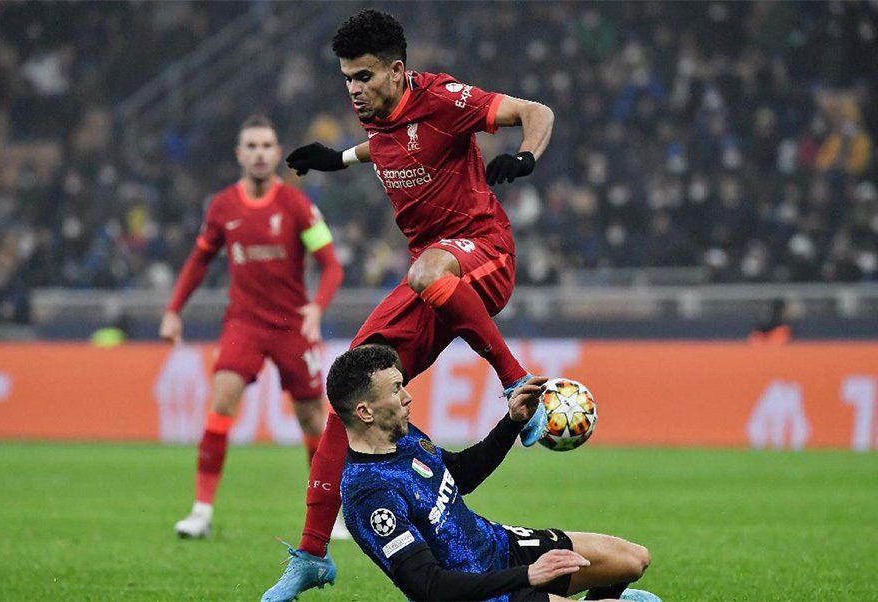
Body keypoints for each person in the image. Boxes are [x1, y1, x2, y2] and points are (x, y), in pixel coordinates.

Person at [264, 9, 556, 598]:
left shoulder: (443, 97)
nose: (353, 89)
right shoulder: (378, 117)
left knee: (428, 268)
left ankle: (513, 379)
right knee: (349, 390)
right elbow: (391, 146)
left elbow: (536, 112)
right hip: (432, 277)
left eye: (364, 77)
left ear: (397, 72)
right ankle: (313, 555)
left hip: (483, 255)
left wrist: (526, 155)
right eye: (346, 78)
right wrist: (338, 160)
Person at [276, 344, 662, 602]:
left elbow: (458, 476)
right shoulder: (369, 496)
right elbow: (430, 588)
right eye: (396, 390)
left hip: (500, 547)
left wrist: (510, 423)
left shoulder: (405, 437)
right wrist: (528, 577)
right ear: (364, 412)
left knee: (633, 560)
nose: (408, 396)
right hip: (480, 595)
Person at [160, 115, 344, 538]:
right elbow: (198, 261)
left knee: (312, 420)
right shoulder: (223, 206)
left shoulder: (296, 206)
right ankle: (201, 512)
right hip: (243, 322)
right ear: (240, 154)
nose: (260, 153)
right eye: (252, 146)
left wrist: (316, 308)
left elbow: (331, 266)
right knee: (221, 401)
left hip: (291, 325)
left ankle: (326, 518)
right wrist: (173, 310)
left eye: (267, 146)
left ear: (277, 154)